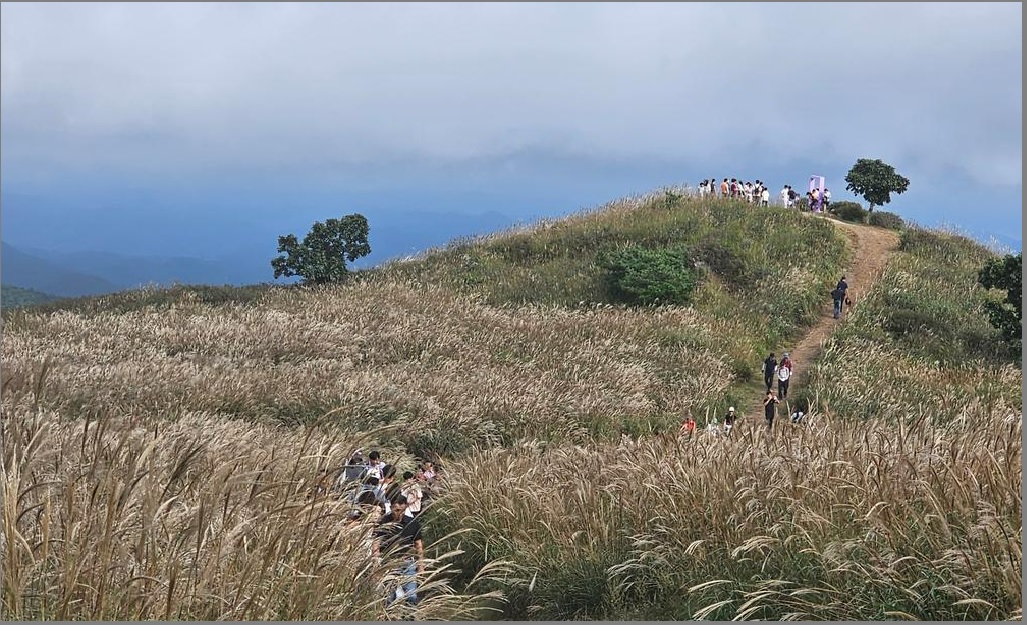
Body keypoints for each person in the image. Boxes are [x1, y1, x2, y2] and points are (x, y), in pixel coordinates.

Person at [373, 494, 424, 608]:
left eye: (401, 510)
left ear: (405, 507)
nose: (398, 513)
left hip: (408, 563)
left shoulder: (413, 523)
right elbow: (376, 543)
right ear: (391, 508)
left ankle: (409, 619)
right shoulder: (383, 523)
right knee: (389, 597)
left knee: (411, 596)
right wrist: (376, 562)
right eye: (396, 510)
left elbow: (418, 544)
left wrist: (420, 565)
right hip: (389, 563)